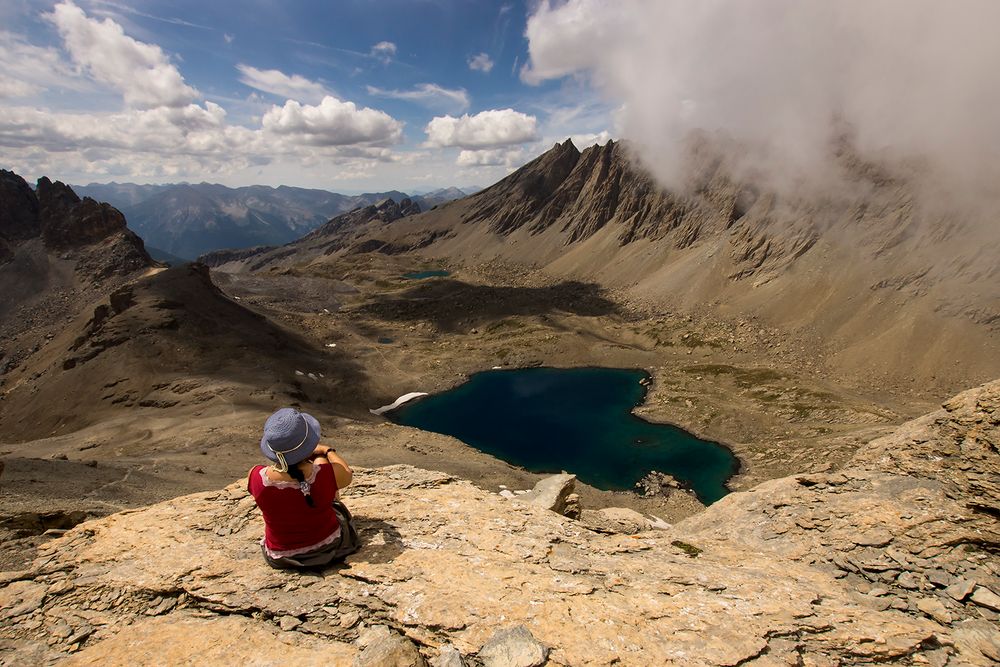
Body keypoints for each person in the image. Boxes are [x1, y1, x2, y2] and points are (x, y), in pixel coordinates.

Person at [248, 407, 360, 569]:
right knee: (322, 465)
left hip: (280, 557)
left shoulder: (256, 475)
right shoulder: (322, 475)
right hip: (327, 548)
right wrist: (325, 451)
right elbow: (346, 474)